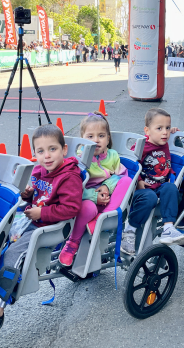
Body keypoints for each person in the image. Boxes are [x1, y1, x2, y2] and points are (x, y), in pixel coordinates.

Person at [0, 124, 83, 347]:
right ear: (34, 153)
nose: (47, 156)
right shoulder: (38, 170)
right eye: (40, 151)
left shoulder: (69, 177)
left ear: (64, 150)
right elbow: (36, 195)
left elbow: (71, 208)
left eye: (52, 149)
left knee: (13, 253)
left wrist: (42, 211)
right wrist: (28, 196)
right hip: (31, 220)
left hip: (49, 228)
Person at [59, 111, 133, 264]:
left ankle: (103, 218)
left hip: (109, 200)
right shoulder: (79, 158)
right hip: (86, 197)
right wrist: (93, 196)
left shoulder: (112, 155)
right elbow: (73, 188)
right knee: (88, 208)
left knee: (126, 181)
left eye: (101, 136)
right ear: (82, 139)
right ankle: (72, 244)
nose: (96, 140)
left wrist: (106, 186)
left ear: (108, 138)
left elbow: (121, 175)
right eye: (90, 136)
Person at [120, 108, 184, 254]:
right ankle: (130, 230)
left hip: (160, 186)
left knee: (171, 188)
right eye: (159, 128)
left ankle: (168, 228)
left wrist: (174, 131)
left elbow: (169, 135)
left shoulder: (165, 142)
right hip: (143, 190)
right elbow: (131, 166)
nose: (165, 132)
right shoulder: (141, 146)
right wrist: (138, 181)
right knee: (149, 197)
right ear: (147, 130)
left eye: (168, 128)